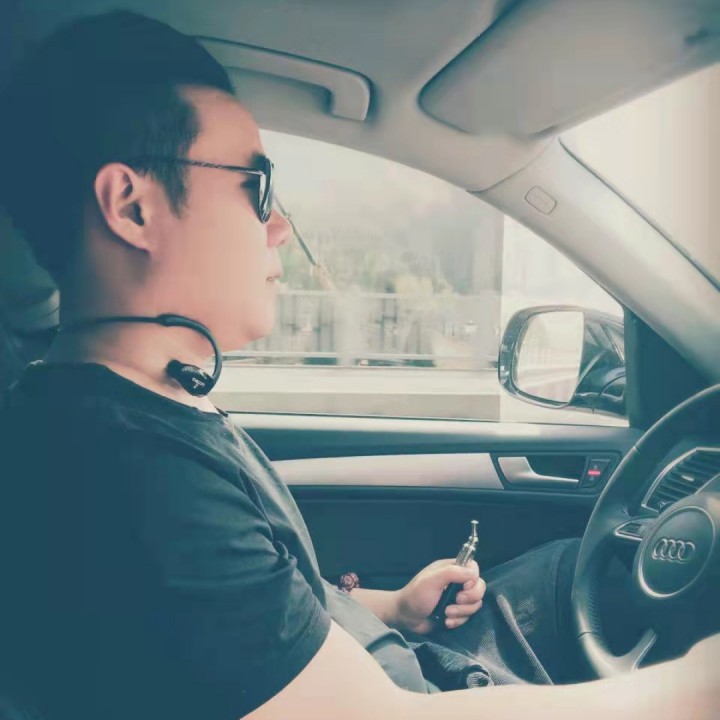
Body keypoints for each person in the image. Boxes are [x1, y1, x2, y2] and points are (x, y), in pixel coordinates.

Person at [0, 10, 716, 720]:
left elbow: (248, 612)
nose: (280, 226)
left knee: (566, 567)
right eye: (255, 186)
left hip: (396, 659)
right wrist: (694, 690)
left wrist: (392, 608)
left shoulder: (137, 411)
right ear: (133, 207)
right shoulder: (135, 472)